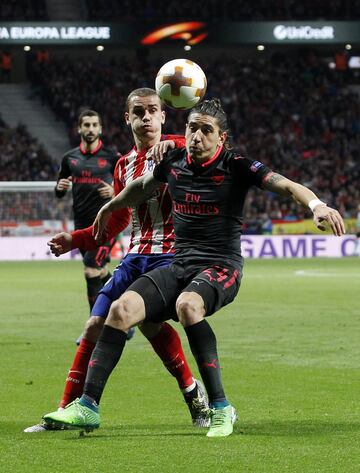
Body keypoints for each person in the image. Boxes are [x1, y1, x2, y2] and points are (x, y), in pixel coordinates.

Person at [43, 98, 345, 438]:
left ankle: (220, 407)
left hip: (221, 266)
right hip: (180, 264)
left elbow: (287, 185)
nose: (198, 137)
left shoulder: (237, 165)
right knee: (120, 309)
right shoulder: (173, 161)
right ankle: (88, 406)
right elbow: (141, 188)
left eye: (206, 131)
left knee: (188, 306)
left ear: (222, 138)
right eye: (192, 128)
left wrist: (317, 205)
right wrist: (110, 206)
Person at [24, 88, 209, 433]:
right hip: (135, 257)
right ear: (128, 119)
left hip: (170, 257)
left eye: (153, 110)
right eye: (138, 112)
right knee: (96, 326)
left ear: (164, 116)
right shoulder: (124, 164)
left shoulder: (182, 149)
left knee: (131, 316)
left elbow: (211, 155)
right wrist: (75, 239)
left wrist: (179, 144)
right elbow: (121, 219)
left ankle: (190, 392)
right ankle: (65, 411)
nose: (146, 117)